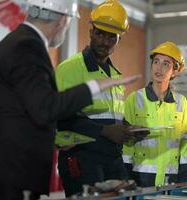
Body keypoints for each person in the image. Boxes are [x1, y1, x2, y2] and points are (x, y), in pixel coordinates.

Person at [0, 0, 140, 199]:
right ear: (63, 20)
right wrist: (94, 87)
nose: (105, 41)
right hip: (5, 168)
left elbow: (29, 108)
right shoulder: (27, 48)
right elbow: (46, 108)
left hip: (2, 166)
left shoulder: (18, 43)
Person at [54, 0, 148, 197]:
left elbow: (111, 115)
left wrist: (128, 128)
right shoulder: (70, 69)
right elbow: (60, 115)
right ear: (91, 32)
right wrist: (104, 131)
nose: (105, 42)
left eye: (111, 37)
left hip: (112, 157)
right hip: (82, 159)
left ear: (119, 40)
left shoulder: (114, 74)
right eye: (100, 34)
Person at [123, 41, 187, 187]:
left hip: (171, 177)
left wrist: (185, 178)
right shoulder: (134, 99)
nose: (159, 67)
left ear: (174, 71)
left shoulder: (181, 103)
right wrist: (126, 176)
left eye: (166, 64)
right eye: (156, 62)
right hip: (140, 177)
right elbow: (125, 142)